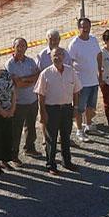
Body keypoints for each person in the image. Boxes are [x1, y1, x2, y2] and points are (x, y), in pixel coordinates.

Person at [35, 47, 81, 175]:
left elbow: (77, 91)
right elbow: (40, 95)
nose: (58, 57)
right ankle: (51, 165)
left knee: (66, 136)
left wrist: (75, 108)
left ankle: (67, 162)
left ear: (64, 56)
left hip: (67, 108)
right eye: (55, 55)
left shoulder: (71, 71)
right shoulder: (45, 73)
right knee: (51, 139)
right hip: (51, 110)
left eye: (60, 54)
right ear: (51, 57)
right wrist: (42, 112)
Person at [5, 37, 42, 163]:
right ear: (13, 48)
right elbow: (17, 84)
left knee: (31, 127)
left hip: (32, 100)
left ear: (26, 47)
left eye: (23, 46)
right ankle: (13, 154)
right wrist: (30, 80)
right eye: (18, 46)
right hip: (18, 102)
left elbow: (38, 77)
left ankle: (29, 148)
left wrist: (25, 79)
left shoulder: (31, 61)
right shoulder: (9, 64)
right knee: (16, 130)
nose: (21, 48)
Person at [68, 17, 102, 142]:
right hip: (81, 82)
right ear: (79, 28)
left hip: (93, 80)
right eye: (83, 27)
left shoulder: (93, 40)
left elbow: (98, 55)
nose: (86, 29)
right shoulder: (74, 44)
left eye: (88, 26)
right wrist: (73, 81)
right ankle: (79, 130)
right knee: (79, 107)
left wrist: (100, 72)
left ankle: (88, 125)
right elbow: (70, 63)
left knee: (91, 106)